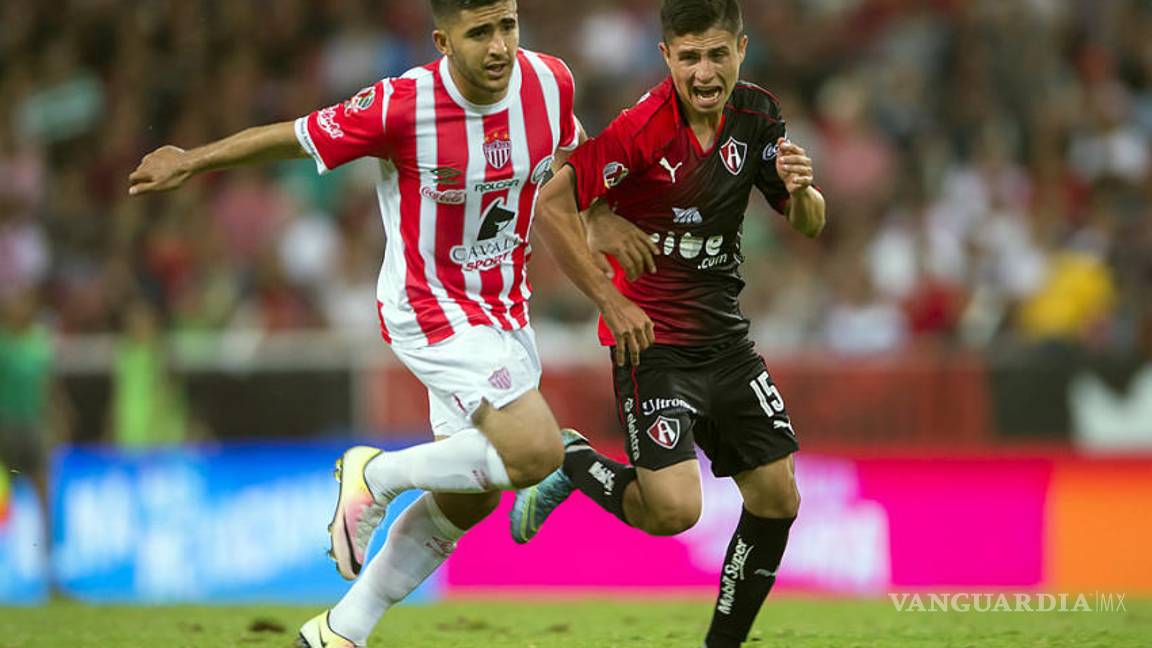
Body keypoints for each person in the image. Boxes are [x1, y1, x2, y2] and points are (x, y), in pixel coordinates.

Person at [129, 2, 644, 646]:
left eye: (506, 26)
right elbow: (297, 135)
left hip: (505, 308)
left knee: (471, 498)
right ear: (442, 40)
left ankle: (341, 629)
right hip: (429, 308)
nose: (498, 46)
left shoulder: (550, 81)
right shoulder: (402, 105)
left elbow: (572, 152)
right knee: (537, 452)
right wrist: (193, 160)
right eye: (479, 33)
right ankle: (377, 474)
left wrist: (597, 216)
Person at [511, 1, 825, 647]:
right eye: (690, 58)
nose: (705, 72)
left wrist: (803, 192)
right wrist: (610, 300)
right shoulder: (643, 128)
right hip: (652, 345)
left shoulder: (758, 116)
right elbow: (551, 205)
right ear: (667, 58)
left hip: (726, 341)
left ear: (741, 49)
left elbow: (809, 223)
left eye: (717, 54)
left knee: (778, 498)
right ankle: (574, 460)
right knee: (674, 511)